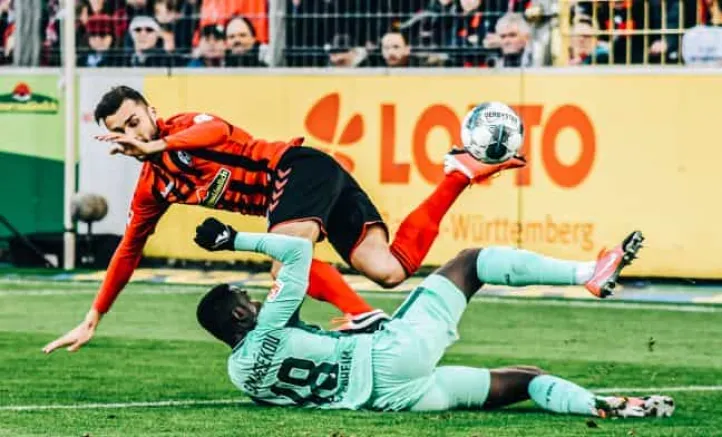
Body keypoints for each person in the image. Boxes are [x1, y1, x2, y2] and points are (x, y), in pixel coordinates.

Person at [41, 85, 525, 354]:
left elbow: (217, 131)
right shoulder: (154, 186)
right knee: (390, 270)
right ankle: (459, 174)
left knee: (286, 262)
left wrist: (160, 143)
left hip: (297, 169)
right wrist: (94, 316)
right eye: (120, 132)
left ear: (152, 112)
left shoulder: (185, 127)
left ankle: (365, 320)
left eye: (134, 122)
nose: (132, 133)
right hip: (310, 191)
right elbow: (128, 250)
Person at [194, 218, 675, 417]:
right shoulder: (271, 324)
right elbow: (298, 251)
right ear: (239, 314)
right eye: (247, 299)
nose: (256, 301)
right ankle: (588, 272)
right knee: (470, 262)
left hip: (391, 400)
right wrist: (233, 239)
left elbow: (285, 363)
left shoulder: (239, 374)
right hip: (391, 358)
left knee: (526, 380)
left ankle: (603, 405)